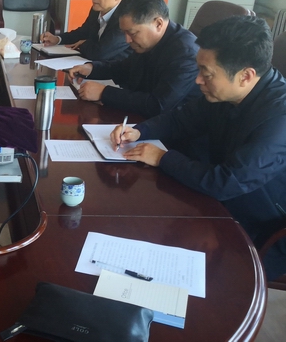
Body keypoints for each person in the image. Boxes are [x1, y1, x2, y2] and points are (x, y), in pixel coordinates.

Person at [111, 16, 286, 280]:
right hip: (218, 202)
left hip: (261, 228)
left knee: (162, 261)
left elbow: (226, 182)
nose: (198, 80)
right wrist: (139, 130)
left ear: (246, 76)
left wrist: (163, 158)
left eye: (207, 73)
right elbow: (182, 118)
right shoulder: (228, 92)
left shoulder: (279, 119)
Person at [67, 0, 201, 118]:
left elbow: (158, 105)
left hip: (171, 128)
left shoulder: (186, 54)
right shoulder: (147, 42)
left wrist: (104, 93)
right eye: (124, 33)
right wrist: (91, 68)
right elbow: (125, 68)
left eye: (132, 33)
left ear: (158, 24)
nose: (127, 40)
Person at [41, 0, 132, 62]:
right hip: (92, 65)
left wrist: (84, 44)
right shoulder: (96, 10)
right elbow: (82, 33)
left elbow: (99, 53)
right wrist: (58, 39)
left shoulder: (126, 20)